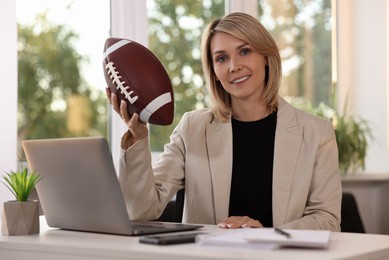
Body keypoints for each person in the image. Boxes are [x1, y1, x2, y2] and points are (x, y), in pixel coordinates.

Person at [106, 12, 342, 231]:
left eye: (245, 51)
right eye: (221, 58)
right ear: (214, 72)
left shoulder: (316, 132)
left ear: (267, 58)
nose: (234, 66)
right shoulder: (192, 128)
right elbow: (140, 209)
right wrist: (138, 136)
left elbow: (327, 219)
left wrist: (268, 233)